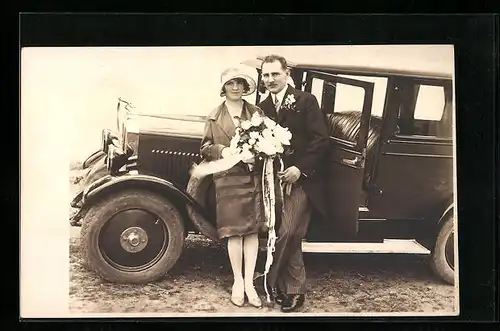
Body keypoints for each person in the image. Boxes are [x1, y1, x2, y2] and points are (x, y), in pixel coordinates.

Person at [258, 54, 330, 312]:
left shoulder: (306, 101)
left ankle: (268, 282)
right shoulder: (262, 107)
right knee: (292, 235)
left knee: (286, 232)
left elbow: (321, 139)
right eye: (265, 75)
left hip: (302, 181)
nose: (269, 80)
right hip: (273, 181)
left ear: (287, 74)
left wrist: (299, 169)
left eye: (275, 74)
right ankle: (294, 290)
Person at [199, 67, 266, 308]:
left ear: (246, 87)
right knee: (234, 231)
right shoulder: (214, 117)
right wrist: (225, 151)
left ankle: (250, 283)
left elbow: (269, 143)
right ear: (224, 87)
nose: (235, 87)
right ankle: (238, 281)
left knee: (252, 231)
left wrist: (255, 156)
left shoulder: (256, 112)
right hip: (228, 179)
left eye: (239, 83)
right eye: (230, 83)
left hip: (252, 178)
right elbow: (205, 148)